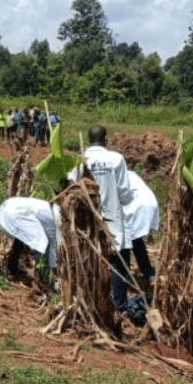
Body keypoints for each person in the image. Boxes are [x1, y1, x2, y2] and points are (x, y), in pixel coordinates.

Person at [69, 125, 139, 322]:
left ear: (90, 140)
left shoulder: (79, 160)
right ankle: (118, 305)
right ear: (105, 140)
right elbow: (124, 193)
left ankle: (87, 301)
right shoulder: (116, 159)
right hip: (113, 218)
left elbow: (71, 190)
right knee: (119, 260)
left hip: (87, 221)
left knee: (88, 258)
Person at [0, 197, 60, 283]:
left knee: (22, 237)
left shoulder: (55, 209)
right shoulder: (59, 219)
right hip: (15, 214)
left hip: (9, 206)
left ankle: (12, 268)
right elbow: (47, 246)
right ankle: (42, 280)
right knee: (41, 244)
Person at [125, 170, 160, 286]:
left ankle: (125, 275)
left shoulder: (114, 176)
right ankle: (148, 273)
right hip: (147, 203)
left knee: (127, 242)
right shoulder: (129, 173)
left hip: (136, 207)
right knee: (136, 241)